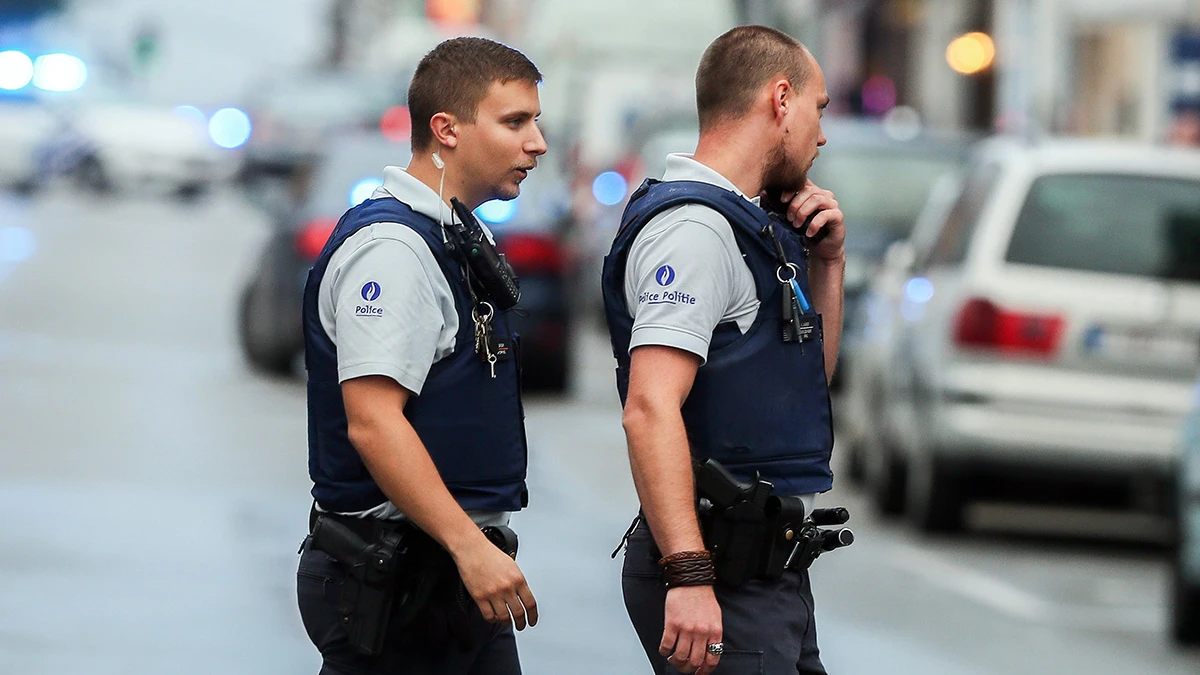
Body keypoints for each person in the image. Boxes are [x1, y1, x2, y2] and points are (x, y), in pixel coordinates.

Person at [295, 36, 547, 675]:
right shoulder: (394, 250)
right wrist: (469, 546)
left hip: (447, 574)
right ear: (447, 129)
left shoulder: (452, 235)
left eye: (535, 122)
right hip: (397, 578)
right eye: (515, 121)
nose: (537, 142)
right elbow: (374, 421)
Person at [602, 26, 845, 675]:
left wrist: (828, 263)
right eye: (819, 110)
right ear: (781, 98)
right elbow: (648, 407)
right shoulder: (695, 233)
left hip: (771, 574)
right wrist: (687, 574)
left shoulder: (753, 225)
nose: (822, 135)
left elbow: (806, 383)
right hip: (719, 570)